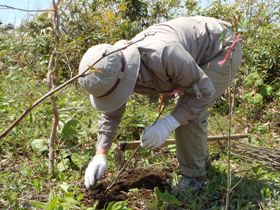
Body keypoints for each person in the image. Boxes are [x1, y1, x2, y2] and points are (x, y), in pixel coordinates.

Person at [78, 16, 242, 193]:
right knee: (186, 110)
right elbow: (112, 112)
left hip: (221, 47)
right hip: (190, 55)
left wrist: (168, 124)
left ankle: (194, 177)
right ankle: (200, 159)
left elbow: (203, 92)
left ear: (123, 76)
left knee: (187, 113)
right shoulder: (117, 68)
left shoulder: (163, 54)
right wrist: (100, 154)